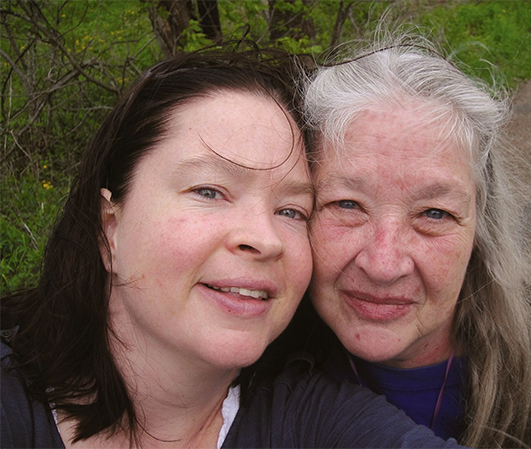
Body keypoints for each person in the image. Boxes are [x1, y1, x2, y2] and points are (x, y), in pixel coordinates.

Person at [0, 48, 464, 448]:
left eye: (292, 211)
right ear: (110, 227)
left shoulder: (316, 421)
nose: (263, 238)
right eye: (209, 191)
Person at [297, 33, 531, 448]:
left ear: (480, 226)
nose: (383, 265)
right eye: (346, 204)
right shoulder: (253, 364)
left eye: (434, 214)